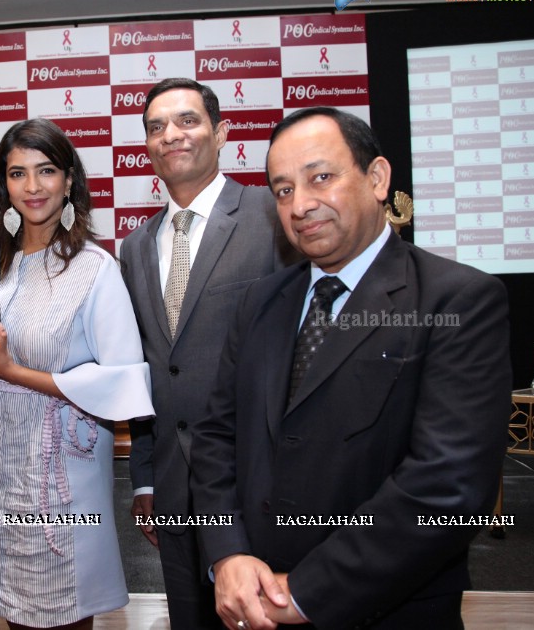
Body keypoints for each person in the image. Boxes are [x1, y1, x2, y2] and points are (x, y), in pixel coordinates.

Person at [191, 107, 511, 629]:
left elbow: (448, 487)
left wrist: (309, 593)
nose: (301, 205)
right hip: (252, 604)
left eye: (321, 177)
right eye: (283, 190)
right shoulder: (260, 302)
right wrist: (227, 555)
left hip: (391, 611)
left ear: (378, 178)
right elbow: (214, 438)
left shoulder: (458, 300)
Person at [0, 118, 154, 629]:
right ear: (1, 185)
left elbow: (121, 383)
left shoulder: (95, 268)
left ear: (69, 180)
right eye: (17, 173)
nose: (32, 187)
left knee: (58, 611)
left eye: (46, 170)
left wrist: (13, 370)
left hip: (57, 469)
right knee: (11, 609)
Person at [119, 77, 295, 628]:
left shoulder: (273, 214)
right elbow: (149, 367)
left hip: (260, 489)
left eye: (186, 121)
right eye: (155, 127)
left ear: (221, 133)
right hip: (172, 493)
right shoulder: (135, 246)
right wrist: (145, 478)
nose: (170, 135)